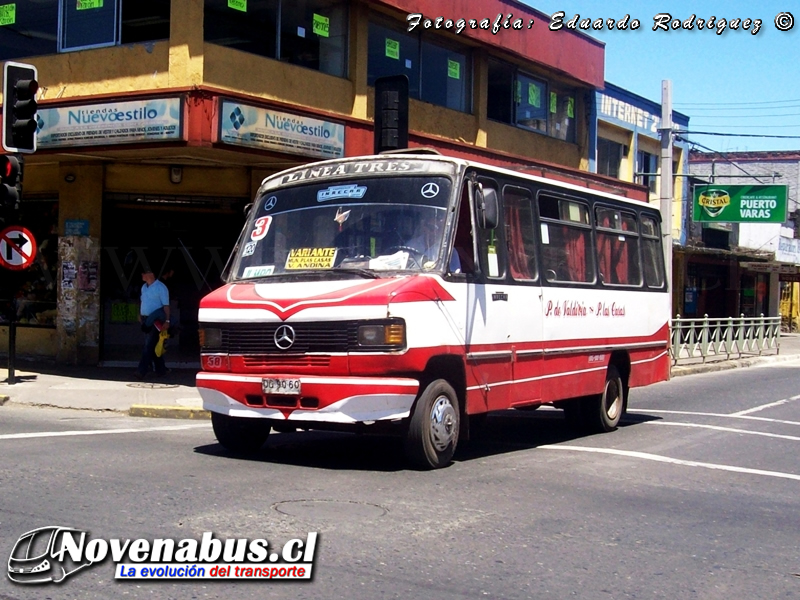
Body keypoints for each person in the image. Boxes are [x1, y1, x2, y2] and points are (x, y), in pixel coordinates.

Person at [136, 267, 170, 379]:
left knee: (148, 346)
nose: (142, 275)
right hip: (145, 319)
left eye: (144, 273)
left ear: (150, 274)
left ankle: (141, 371)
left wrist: (167, 320)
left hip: (155, 321)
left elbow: (166, 306)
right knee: (154, 345)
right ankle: (161, 370)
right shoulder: (143, 287)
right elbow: (143, 301)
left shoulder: (161, 287)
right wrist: (140, 314)